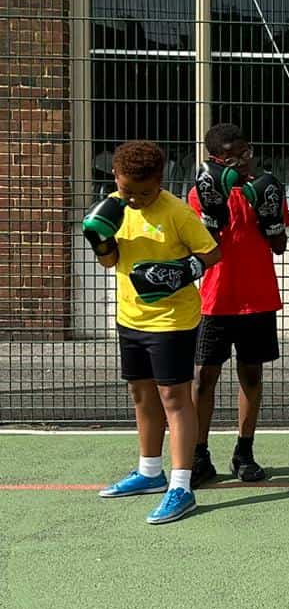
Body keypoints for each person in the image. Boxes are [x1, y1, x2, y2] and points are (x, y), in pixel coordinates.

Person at [86, 140, 220, 524]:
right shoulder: (112, 208)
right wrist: (100, 243)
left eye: (144, 192)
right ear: (116, 178)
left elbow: (213, 254)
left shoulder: (177, 213)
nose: (135, 199)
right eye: (128, 190)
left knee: (173, 397)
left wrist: (182, 271)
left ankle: (182, 484)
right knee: (141, 393)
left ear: (160, 182)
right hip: (131, 317)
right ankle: (149, 472)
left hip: (172, 321)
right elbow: (112, 263)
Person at [186, 123, 288, 484]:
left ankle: (244, 452)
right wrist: (214, 212)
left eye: (247, 153)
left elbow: (280, 246)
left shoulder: (267, 185)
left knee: (251, 375)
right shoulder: (203, 190)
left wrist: (270, 218)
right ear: (217, 159)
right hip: (216, 298)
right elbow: (203, 247)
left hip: (258, 297)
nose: (245, 161)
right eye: (234, 157)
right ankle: (198, 454)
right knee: (203, 378)